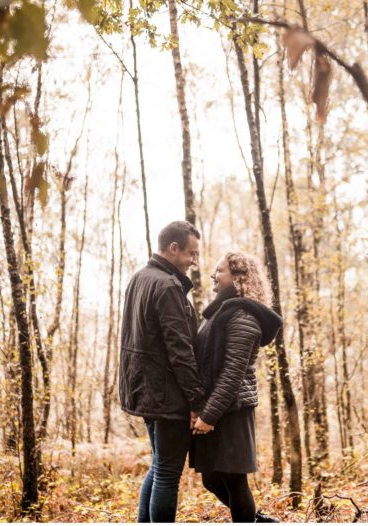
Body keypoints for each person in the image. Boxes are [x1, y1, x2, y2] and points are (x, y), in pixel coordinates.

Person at [119, 220, 206, 523]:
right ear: (173, 248)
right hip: (167, 396)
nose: (194, 261)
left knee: (159, 467)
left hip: (146, 390)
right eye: (191, 254)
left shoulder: (139, 278)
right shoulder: (168, 285)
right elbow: (180, 350)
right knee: (168, 474)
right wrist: (196, 401)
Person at [190, 252, 282, 523]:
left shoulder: (243, 315)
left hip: (232, 410)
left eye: (219, 271)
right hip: (217, 407)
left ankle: (250, 520)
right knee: (212, 479)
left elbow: (233, 373)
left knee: (234, 481)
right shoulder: (220, 312)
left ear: (239, 277)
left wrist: (209, 415)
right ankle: (256, 519)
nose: (213, 276)